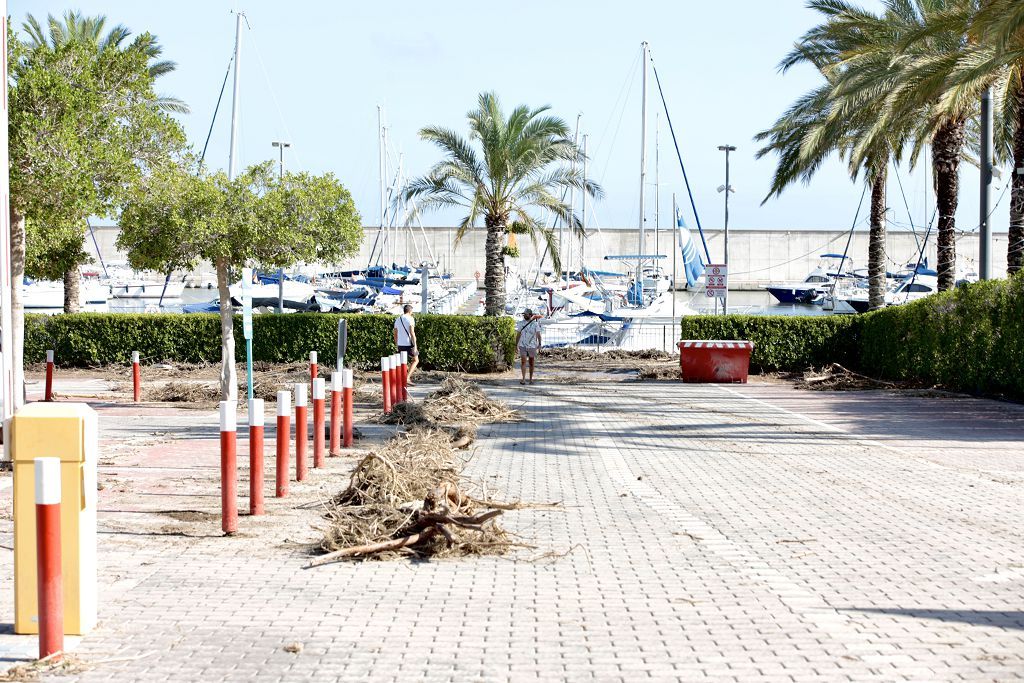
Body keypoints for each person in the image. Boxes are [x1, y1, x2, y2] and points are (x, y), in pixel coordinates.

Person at [514, 309, 542, 385]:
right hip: (522, 345)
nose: (524, 315)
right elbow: (518, 334)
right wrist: (516, 345)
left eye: (526, 314)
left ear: (530, 315)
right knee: (523, 361)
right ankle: (523, 379)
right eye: (524, 314)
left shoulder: (535, 324)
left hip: (532, 345)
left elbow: (538, 334)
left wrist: (539, 344)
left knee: (531, 362)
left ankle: (530, 379)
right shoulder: (521, 323)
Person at [394, 304, 419, 383]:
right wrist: (415, 346)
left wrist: (396, 344)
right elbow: (412, 333)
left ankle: (403, 378)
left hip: (400, 344)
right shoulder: (410, 319)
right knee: (415, 360)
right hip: (408, 343)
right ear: (410, 311)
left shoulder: (398, 319)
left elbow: (395, 334)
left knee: (403, 362)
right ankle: (407, 378)